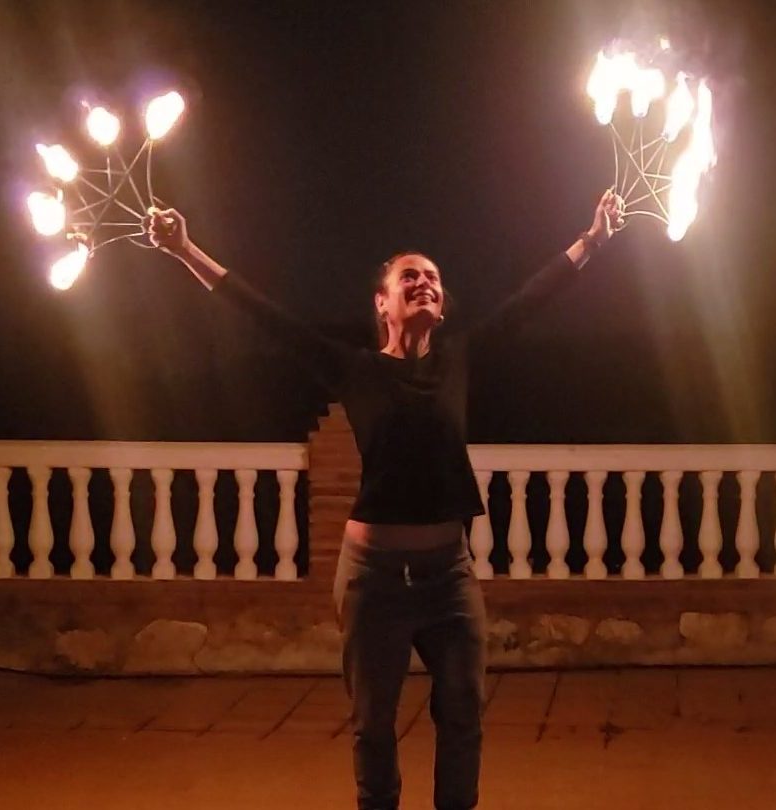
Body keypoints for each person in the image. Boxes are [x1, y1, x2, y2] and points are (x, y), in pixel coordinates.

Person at [146, 188, 624, 810]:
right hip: (373, 583)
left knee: (463, 715)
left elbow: (531, 299)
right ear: (383, 302)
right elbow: (263, 315)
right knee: (374, 725)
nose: (424, 282)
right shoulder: (355, 371)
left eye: (432, 277)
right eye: (409, 276)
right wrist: (185, 250)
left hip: (450, 578)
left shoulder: (459, 358)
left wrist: (592, 241)